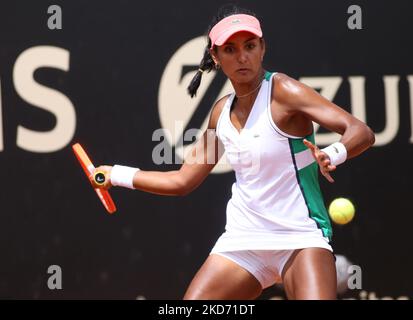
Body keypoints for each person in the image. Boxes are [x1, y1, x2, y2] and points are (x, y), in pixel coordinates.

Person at [92, 6, 375, 300]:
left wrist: (334, 153)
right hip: (243, 241)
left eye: (250, 46)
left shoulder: (284, 91)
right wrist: (115, 174)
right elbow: (182, 181)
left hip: (300, 237)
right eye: (230, 49)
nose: (242, 57)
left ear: (262, 48)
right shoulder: (220, 114)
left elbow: (361, 131)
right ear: (215, 57)